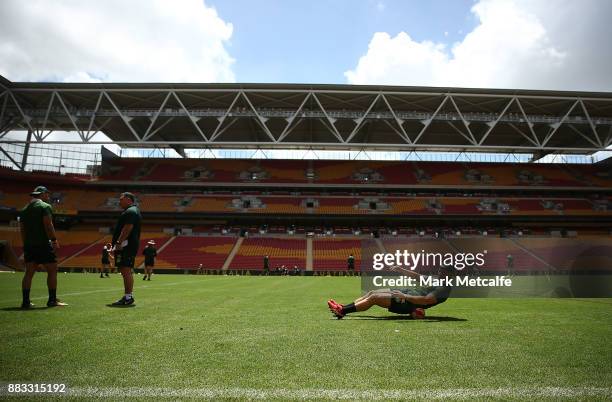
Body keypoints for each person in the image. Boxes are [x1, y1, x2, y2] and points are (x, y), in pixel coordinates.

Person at [328, 267, 452, 320]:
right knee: (372, 292)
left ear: (450, 274)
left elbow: (425, 300)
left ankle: (342, 311)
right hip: (405, 293)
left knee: (375, 298)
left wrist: (405, 296)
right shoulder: (438, 279)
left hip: (407, 302)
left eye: (443, 271)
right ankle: (343, 307)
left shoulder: (444, 288)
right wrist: (401, 269)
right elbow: (418, 277)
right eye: (440, 270)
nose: (439, 272)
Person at [18, 185, 67, 308]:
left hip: (29, 245)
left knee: (29, 273)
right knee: (52, 270)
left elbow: (22, 230)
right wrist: (54, 240)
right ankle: (52, 300)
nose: (48, 196)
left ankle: (25, 302)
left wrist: (26, 245)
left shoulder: (24, 210)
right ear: (42, 194)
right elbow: (48, 225)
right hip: (43, 244)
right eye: (47, 194)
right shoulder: (45, 207)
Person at [110, 192, 141, 306]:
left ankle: (128, 297)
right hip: (126, 245)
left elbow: (128, 227)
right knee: (124, 270)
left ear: (128, 199)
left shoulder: (131, 211)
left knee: (126, 270)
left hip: (126, 245)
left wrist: (119, 242)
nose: (119, 201)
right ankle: (127, 296)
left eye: (121, 199)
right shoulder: (130, 211)